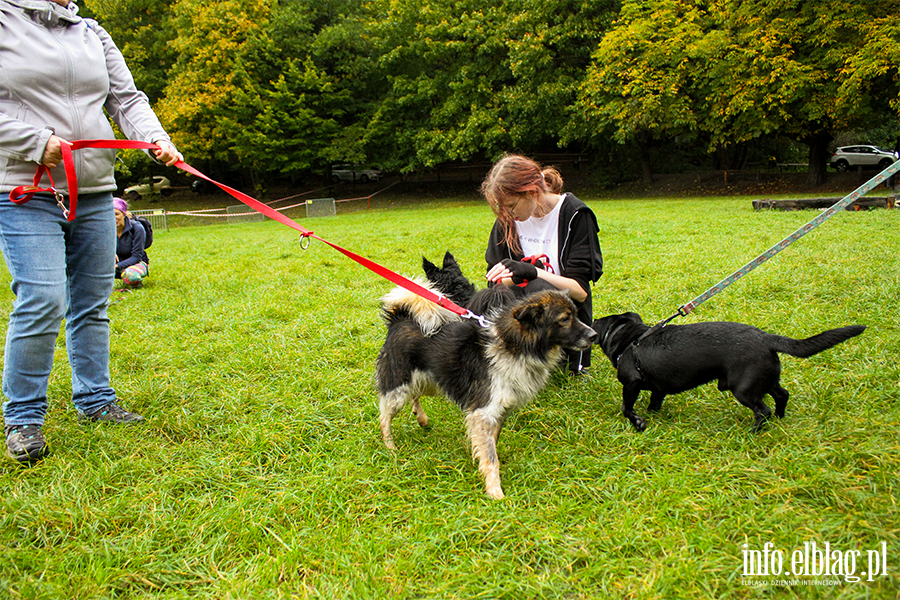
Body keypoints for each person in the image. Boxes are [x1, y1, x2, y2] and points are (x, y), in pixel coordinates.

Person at [0, 0, 182, 463]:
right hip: (25, 186)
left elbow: (126, 99)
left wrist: (155, 139)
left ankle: (95, 400)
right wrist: (35, 143)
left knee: (92, 300)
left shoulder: (91, 32)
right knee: (42, 296)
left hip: (95, 189)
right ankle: (23, 417)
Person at [482, 154, 603, 375]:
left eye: (510, 205)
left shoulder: (575, 215)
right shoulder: (508, 221)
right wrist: (517, 277)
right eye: (501, 207)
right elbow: (494, 285)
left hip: (562, 324)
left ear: (531, 192)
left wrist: (532, 272)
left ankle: (565, 360)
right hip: (521, 328)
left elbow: (580, 292)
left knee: (539, 288)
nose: (506, 213)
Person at [114, 198, 149, 288]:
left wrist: (116, 266)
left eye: (116, 214)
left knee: (131, 275)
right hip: (114, 265)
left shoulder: (137, 228)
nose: (113, 217)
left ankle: (135, 282)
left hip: (136, 263)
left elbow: (136, 257)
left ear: (124, 214)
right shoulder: (106, 230)